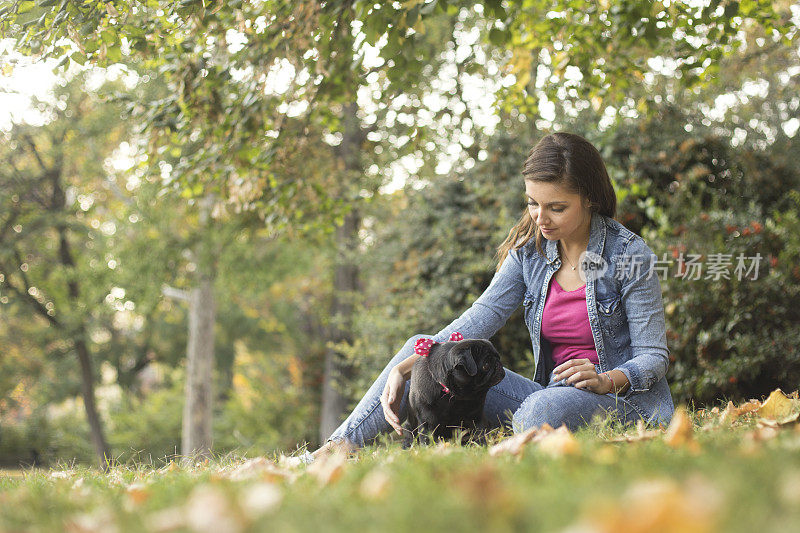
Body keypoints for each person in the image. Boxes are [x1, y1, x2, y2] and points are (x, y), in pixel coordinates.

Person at [295, 132, 675, 464]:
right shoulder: (531, 252)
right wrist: (407, 365)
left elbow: (653, 356)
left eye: (556, 207)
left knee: (538, 411)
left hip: (619, 401)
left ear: (589, 199)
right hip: (548, 395)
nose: (540, 218)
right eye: (532, 203)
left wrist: (607, 379)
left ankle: (517, 436)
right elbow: (481, 317)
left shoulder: (629, 255)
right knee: (424, 351)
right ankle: (338, 447)